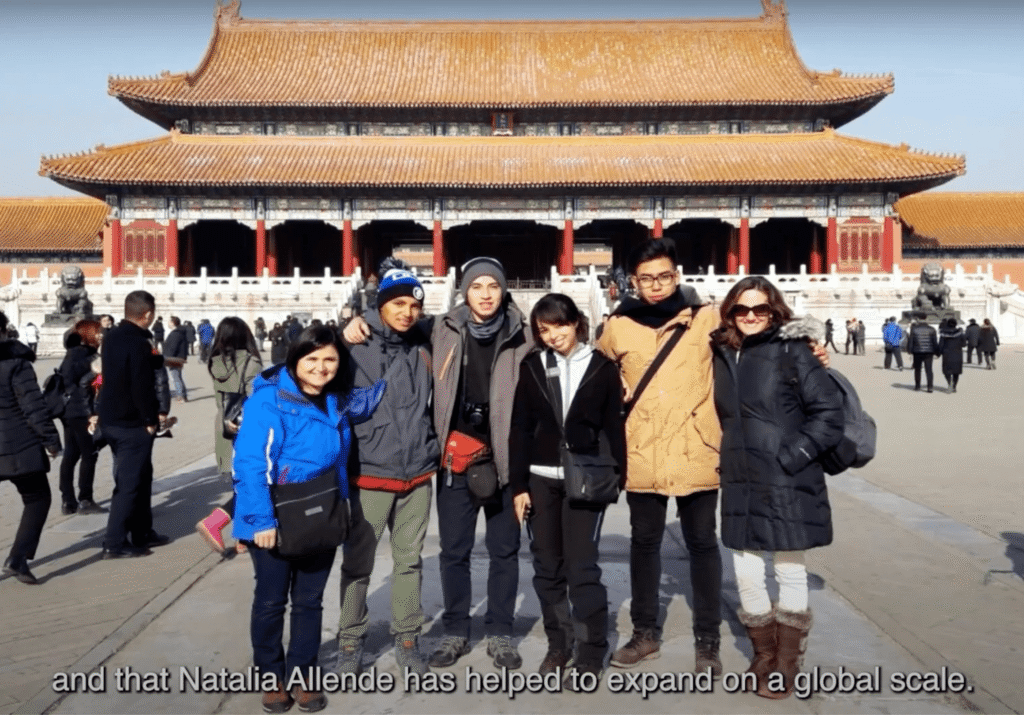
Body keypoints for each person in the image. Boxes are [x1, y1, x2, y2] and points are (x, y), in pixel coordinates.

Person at [343, 256, 533, 670]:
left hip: (503, 458)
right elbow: (372, 335)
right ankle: (455, 632)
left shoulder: (525, 335)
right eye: (477, 286)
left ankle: (500, 630)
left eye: (493, 287)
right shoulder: (441, 329)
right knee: (453, 553)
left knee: (505, 551)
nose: (485, 295)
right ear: (463, 290)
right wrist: (352, 322)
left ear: (504, 290)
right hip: (451, 461)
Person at [232, 325, 384, 713]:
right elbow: (251, 464)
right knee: (270, 601)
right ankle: (271, 676)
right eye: (312, 359)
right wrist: (261, 520)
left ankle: (304, 674)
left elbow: (372, 398)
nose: (321, 367)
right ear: (295, 359)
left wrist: (389, 346)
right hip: (275, 516)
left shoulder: (337, 400)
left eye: (330, 359)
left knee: (309, 602)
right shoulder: (268, 402)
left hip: (322, 514)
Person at [710, 276, 844, 699]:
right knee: (747, 574)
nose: (751, 317)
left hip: (786, 477)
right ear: (730, 312)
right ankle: (763, 655)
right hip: (739, 477)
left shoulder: (793, 351)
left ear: (775, 311)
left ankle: (788, 663)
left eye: (760, 310)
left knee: (788, 569)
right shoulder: (720, 352)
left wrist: (793, 456)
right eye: (742, 310)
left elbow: (829, 414)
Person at [596, 238, 723, 674]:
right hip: (642, 450)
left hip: (696, 447)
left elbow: (753, 346)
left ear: (677, 274)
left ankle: (708, 639)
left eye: (664, 276)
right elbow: (595, 375)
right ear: (633, 281)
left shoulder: (707, 318)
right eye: (647, 278)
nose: (656, 285)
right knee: (644, 543)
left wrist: (809, 349)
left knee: (703, 543)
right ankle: (645, 632)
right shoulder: (619, 326)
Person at [509, 293, 625, 682]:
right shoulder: (533, 366)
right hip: (540, 479)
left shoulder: (602, 368)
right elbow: (520, 428)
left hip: (586, 480)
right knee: (547, 566)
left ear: (576, 322)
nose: (553, 335)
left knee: (582, 567)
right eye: (544, 330)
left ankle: (592, 648)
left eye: (559, 325)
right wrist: (518, 485)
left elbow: (613, 427)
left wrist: (617, 475)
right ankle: (559, 644)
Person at [336, 269, 439, 676]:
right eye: (398, 304)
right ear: (380, 305)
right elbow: (301, 360)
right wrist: (341, 325)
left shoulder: (423, 345)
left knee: (409, 560)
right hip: (370, 474)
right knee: (357, 564)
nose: (407, 312)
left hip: (416, 474)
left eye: (415, 306)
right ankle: (349, 639)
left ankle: (408, 635)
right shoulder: (352, 344)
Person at [98, 290, 168, 559]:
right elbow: (140, 384)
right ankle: (113, 543)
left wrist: (162, 360)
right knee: (128, 484)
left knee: (142, 476)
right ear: (147, 314)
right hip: (131, 423)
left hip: (111, 419)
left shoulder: (113, 336)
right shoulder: (139, 343)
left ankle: (142, 531)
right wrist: (150, 419)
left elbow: (127, 366)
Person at [1, 310, 62, 584]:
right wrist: (50, 439)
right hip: (19, 444)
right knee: (38, 498)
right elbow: (33, 407)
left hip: (15, 444)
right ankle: (17, 558)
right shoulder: (16, 364)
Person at [195, 317, 263, 553]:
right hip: (244, 426)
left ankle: (243, 536)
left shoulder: (215, 362)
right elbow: (255, 399)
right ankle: (217, 522)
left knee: (239, 480)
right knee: (253, 480)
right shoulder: (251, 362)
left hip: (223, 422)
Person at [57, 320, 106, 516]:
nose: (101, 335)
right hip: (82, 412)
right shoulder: (84, 355)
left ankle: (68, 501)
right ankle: (85, 499)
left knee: (71, 454)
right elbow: (81, 381)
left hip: (70, 411)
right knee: (89, 453)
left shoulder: (74, 353)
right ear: (89, 334)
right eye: (98, 332)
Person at [907, 316, 939, 392]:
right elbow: (934, 342)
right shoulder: (932, 329)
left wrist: (910, 350)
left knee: (917, 369)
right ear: (927, 320)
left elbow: (911, 341)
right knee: (929, 370)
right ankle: (930, 387)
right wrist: (937, 352)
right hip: (929, 352)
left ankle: (917, 386)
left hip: (917, 351)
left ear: (918, 320)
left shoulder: (914, 329)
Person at [162, 316, 189, 403]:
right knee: (178, 377)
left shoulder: (176, 333)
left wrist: (167, 358)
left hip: (175, 358)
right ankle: (183, 396)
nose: (168, 323)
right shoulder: (179, 332)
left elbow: (172, 348)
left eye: (169, 322)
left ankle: (180, 396)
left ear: (173, 323)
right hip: (179, 357)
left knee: (176, 377)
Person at [938, 318, 966, 393]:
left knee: (946, 371)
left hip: (947, 354)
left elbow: (940, 345)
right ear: (956, 324)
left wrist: (938, 354)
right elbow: (964, 344)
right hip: (957, 354)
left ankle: (949, 382)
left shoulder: (943, 333)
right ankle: (954, 386)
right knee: (956, 372)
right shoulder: (960, 333)